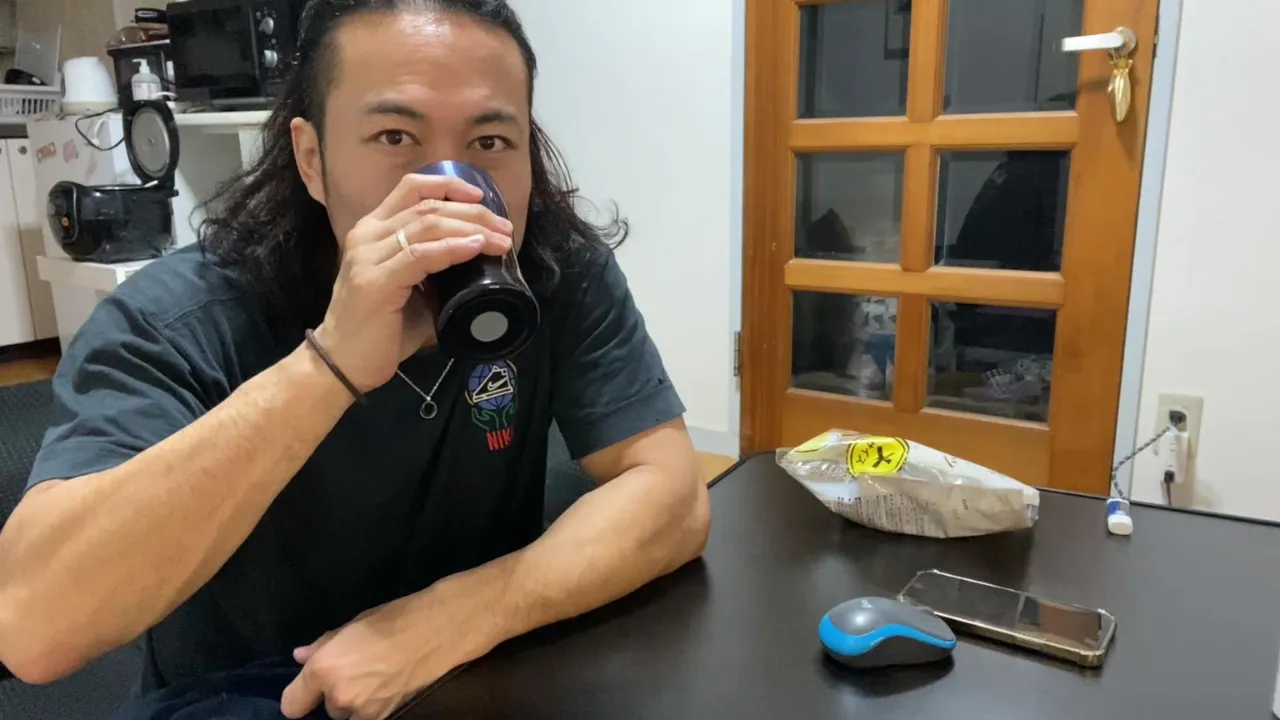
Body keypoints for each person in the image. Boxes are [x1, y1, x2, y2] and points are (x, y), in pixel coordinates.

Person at [0, 1, 711, 717]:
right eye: (394, 136)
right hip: (251, 692)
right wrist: (328, 365)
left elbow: (673, 495)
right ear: (312, 160)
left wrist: (460, 614)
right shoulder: (180, 316)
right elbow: (33, 627)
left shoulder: (555, 273)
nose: (453, 187)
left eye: (491, 140)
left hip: (473, 666)